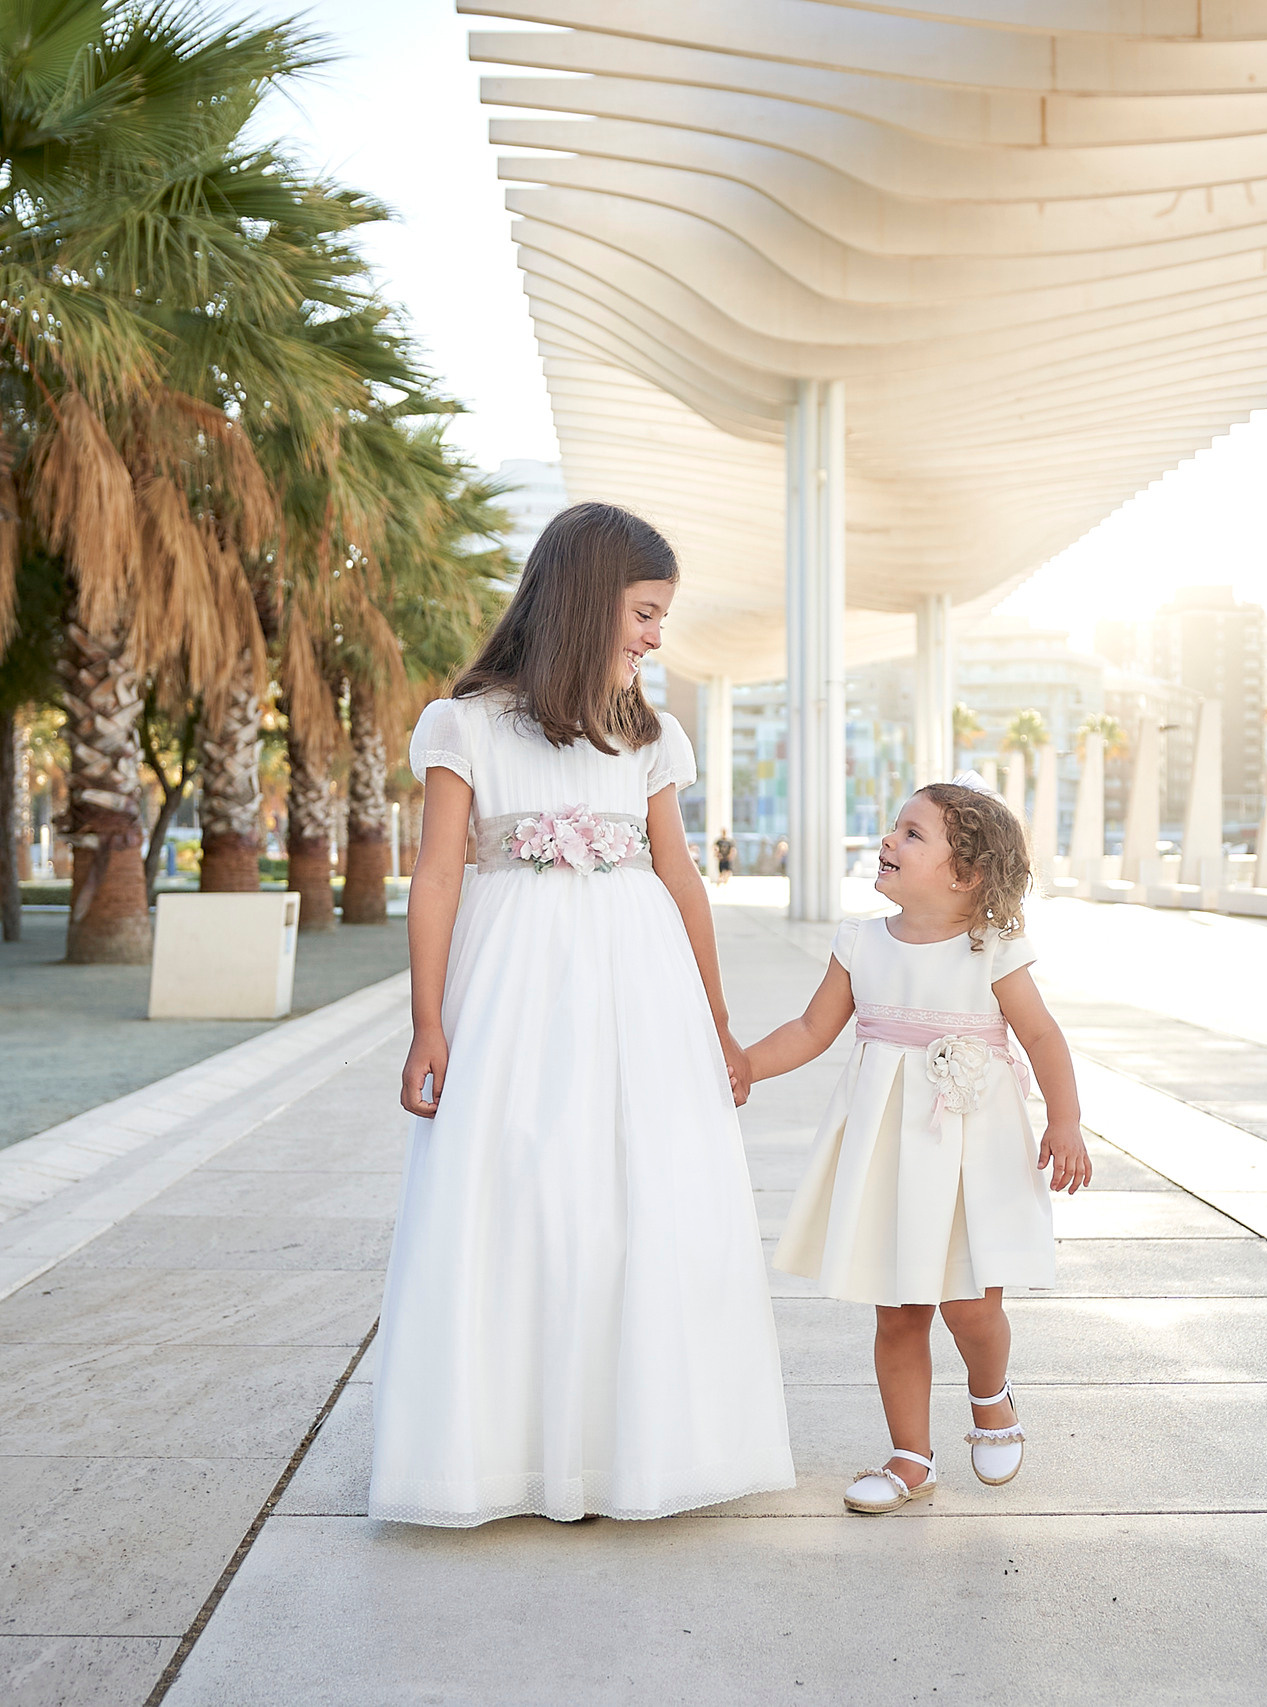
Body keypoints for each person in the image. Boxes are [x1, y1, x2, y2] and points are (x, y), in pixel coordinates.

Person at [368, 502, 795, 1526]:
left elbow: (682, 879)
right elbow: (434, 879)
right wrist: (428, 1023)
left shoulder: (648, 734)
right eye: (644, 613)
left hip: (636, 984)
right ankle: (504, 1455)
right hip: (512, 984)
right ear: (583, 599)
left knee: (641, 1192)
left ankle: (630, 1449)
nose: (655, 637)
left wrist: (718, 1020)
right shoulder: (464, 725)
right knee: (516, 1186)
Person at [745, 777, 1090, 1515]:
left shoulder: (990, 947)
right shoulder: (861, 942)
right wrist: (746, 1063)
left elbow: (1040, 1035)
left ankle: (990, 1394)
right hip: (892, 1153)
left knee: (970, 1304)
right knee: (898, 1311)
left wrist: (1065, 1120)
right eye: (894, 829)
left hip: (972, 1153)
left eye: (910, 833)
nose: (887, 841)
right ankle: (910, 1456)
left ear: (964, 874)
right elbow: (811, 1031)